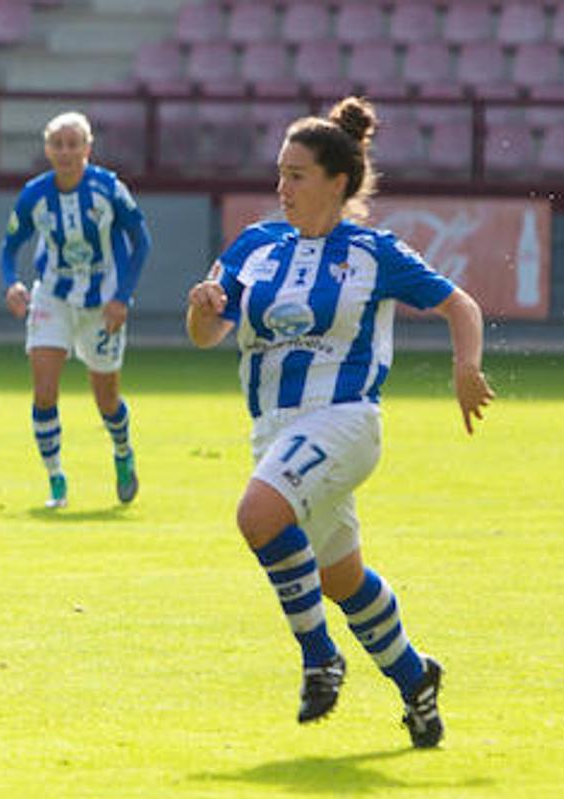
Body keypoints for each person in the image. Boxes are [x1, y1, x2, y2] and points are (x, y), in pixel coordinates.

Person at [186, 97, 492, 749]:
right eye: (280, 172)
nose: (282, 187)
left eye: (297, 174)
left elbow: (459, 304)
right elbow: (205, 334)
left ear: (337, 182)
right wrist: (203, 304)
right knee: (339, 578)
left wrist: (466, 368)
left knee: (257, 516)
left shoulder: (373, 251)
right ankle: (416, 681)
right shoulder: (256, 247)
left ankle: (319, 656)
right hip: (276, 431)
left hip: (346, 423)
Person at [0, 111, 150, 509]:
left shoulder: (109, 189)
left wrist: (122, 298)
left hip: (103, 304)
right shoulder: (35, 194)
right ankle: (56, 481)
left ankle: (122, 452)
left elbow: (142, 242)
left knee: (106, 400)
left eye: (73, 144)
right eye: (57, 144)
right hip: (52, 297)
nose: (65, 152)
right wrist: (12, 282)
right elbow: (9, 247)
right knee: (44, 392)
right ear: (47, 149)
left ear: (87, 147)